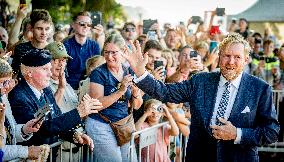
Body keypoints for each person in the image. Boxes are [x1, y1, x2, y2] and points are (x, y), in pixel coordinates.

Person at [122, 33, 280, 162]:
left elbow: (271, 132)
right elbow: (165, 92)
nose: (231, 62)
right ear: (219, 57)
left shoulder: (260, 88)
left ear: (246, 60)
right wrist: (141, 74)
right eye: (227, 56)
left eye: (237, 57)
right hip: (200, 156)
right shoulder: (200, 81)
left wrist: (237, 134)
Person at [8, 50, 100, 157]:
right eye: (45, 69)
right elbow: (42, 129)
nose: (50, 73)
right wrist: (78, 112)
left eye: (49, 68)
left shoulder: (45, 90)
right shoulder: (19, 97)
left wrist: (73, 135)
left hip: (50, 155)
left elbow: (55, 119)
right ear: (29, 73)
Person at [85, 33, 143, 162]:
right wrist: (121, 90)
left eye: (114, 52)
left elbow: (137, 105)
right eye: (106, 52)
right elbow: (96, 104)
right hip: (101, 125)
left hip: (123, 126)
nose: (109, 57)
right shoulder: (98, 73)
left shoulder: (129, 71)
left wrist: (135, 93)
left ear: (123, 52)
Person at [0, 58, 44, 161]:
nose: (7, 87)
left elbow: (10, 131)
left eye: (8, 81)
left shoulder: (3, 98)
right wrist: (26, 151)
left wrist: (25, 129)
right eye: (2, 82)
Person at [63, 11, 102, 90]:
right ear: (73, 25)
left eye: (88, 24)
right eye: (82, 24)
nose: (85, 26)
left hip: (89, 87)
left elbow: (98, 69)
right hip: (69, 88)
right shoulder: (66, 45)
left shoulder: (94, 45)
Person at [11, 9, 53, 77]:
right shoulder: (21, 48)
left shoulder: (53, 50)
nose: (44, 33)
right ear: (31, 28)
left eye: (47, 29)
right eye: (39, 28)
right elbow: (14, 73)